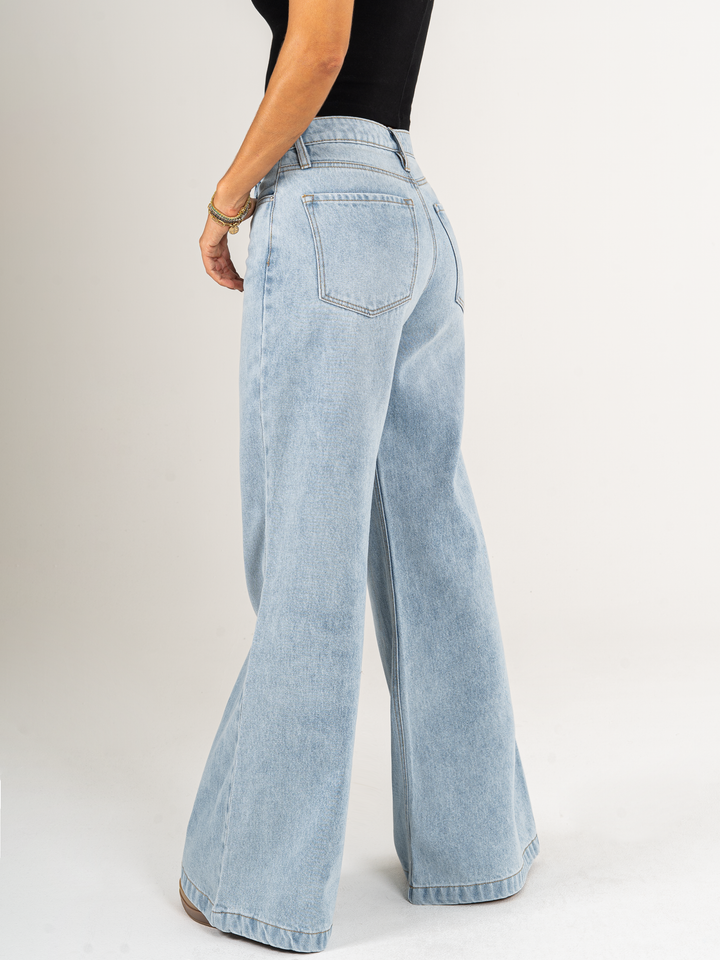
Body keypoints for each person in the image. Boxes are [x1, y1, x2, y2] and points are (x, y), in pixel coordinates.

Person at [178, 0, 539, 952]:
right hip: (413, 200)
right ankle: (475, 847)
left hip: (327, 199)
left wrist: (228, 198)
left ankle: (258, 883)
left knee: (310, 545)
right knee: (432, 543)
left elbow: (321, 47)